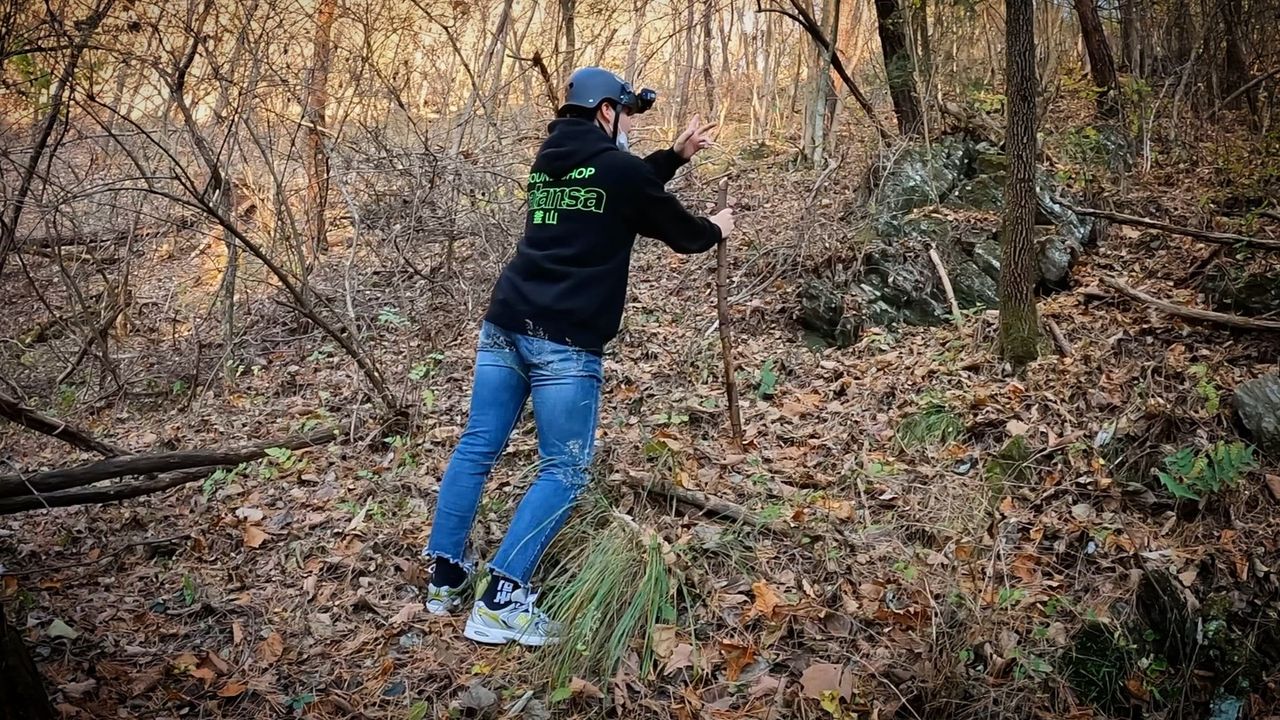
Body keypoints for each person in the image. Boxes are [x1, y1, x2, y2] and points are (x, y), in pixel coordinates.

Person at [421, 67, 735, 646]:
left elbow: (619, 186)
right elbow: (677, 229)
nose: (629, 129)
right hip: (563, 341)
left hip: (506, 322)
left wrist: (675, 155)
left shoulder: (549, 163)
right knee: (564, 469)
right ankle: (502, 599)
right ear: (606, 112)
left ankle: (444, 577)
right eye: (626, 114)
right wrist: (715, 228)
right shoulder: (615, 170)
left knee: (476, 448)